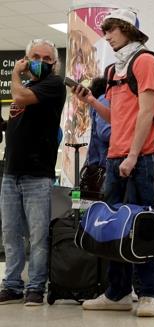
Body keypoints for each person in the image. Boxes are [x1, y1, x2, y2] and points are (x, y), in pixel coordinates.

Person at [73, 8, 154, 317]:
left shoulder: (145, 61)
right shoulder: (113, 71)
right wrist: (91, 101)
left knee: (143, 226)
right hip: (114, 158)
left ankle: (149, 292)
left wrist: (134, 155)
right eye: (105, 30)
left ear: (127, 28)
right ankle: (118, 292)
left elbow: (147, 113)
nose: (107, 35)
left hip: (140, 157)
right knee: (114, 229)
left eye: (111, 29)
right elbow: (117, 116)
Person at [0, 39, 65, 306]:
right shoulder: (26, 86)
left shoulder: (53, 85)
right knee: (10, 233)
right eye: (35, 56)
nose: (40, 61)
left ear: (54, 63)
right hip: (10, 172)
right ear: (27, 58)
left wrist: (15, 73)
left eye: (46, 58)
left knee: (38, 236)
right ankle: (12, 284)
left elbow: (18, 98)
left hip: (37, 174)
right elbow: (19, 119)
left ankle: (37, 286)